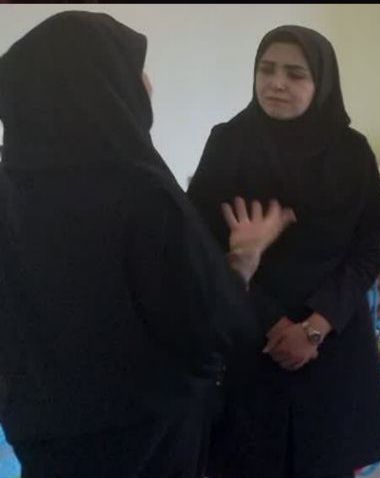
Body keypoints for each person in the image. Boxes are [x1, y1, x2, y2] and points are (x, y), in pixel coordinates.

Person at [0, 11, 291, 478]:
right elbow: (207, 324)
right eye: (135, 68)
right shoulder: (140, 192)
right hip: (144, 434)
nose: (148, 83)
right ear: (100, 83)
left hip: (40, 428)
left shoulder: (11, 186)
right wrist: (244, 258)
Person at [186, 25, 380, 478]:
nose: (276, 83)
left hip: (333, 340)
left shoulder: (350, 151)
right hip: (251, 342)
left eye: (295, 74)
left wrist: (315, 327)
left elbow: (369, 245)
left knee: (326, 461)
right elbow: (201, 243)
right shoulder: (228, 143)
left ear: (321, 83)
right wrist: (274, 323)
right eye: (267, 70)